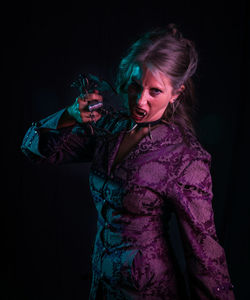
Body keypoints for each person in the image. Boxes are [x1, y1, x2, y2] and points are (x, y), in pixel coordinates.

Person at [21, 24, 235, 299]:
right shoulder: (110, 128)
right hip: (101, 286)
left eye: (154, 91)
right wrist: (70, 114)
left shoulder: (186, 158)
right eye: (135, 86)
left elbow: (205, 253)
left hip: (149, 292)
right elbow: (35, 151)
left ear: (176, 94)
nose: (140, 101)